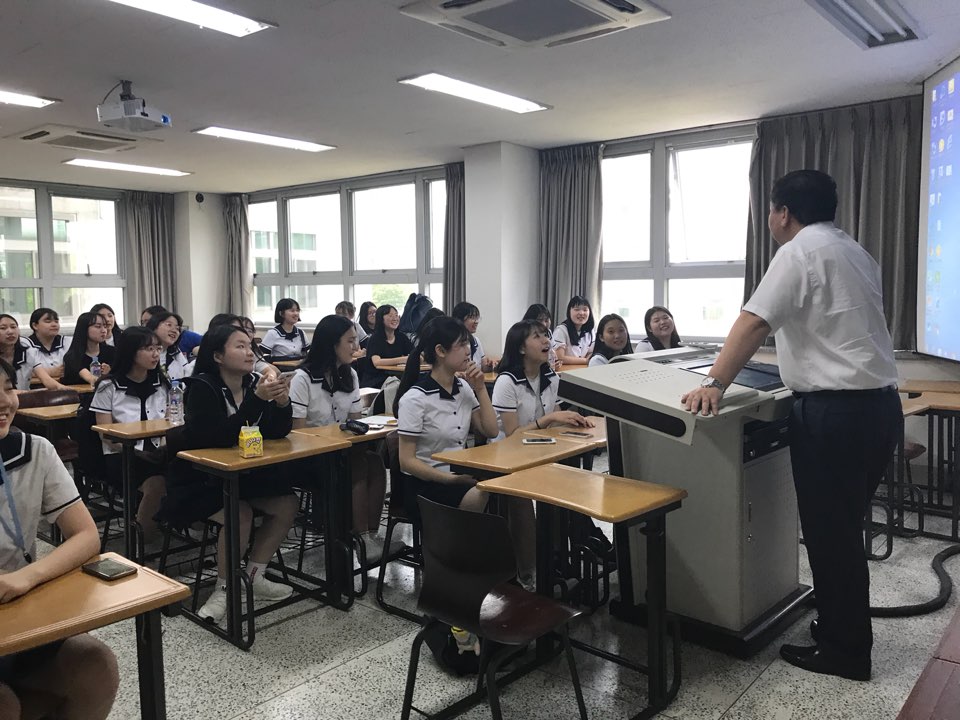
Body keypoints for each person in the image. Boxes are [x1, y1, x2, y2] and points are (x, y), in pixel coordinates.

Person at [681, 169, 901, 681]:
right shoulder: (856, 252)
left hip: (834, 413)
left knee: (830, 534)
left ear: (783, 213)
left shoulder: (798, 252)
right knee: (843, 529)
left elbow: (754, 320)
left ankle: (845, 652)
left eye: (770, 211)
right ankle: (840, 628)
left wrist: (714, 381)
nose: (769, 220)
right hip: (878, 409)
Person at [0, 358, 120, 720]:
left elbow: (86, 536)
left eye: (8, 388)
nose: (4, 401)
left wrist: (27, 576)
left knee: (96, 668)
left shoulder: (34, 450)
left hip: (17, 609)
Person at [160, 324, 298, 623]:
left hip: (242, 475)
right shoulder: (202, 387)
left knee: (287, 503)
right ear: (218, 356)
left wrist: (281, 402)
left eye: (250, 346)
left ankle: (255, 575)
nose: (249, 353)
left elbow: (277, 431)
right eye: (240, 346)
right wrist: (258, 400)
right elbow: (218, 437)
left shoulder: (253, 383)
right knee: (240, 513)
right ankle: (223, 588)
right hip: (199, 480)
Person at [290, 316, 390, 562]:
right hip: (310, 457)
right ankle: (361, 539)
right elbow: (297, 433)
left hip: (342, 451)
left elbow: (355, 422)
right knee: (358, 465)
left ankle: (370, 536)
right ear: (331, 344)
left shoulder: (350, 375)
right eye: (350, 341)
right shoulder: (303, 378)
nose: (356, 347)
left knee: (374, 461)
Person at [394, 316, 499, 515]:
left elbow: (491, 430)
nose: (468, 350)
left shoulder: (463, 388)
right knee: (484, 494)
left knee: (508, 490)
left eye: (468, 343)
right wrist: (452, 480)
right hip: (425, 484)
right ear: (441, 351)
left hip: (459, 474)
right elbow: (407, 461)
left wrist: (480, 388)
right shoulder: (415, 398)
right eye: (462, 344)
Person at [90, 327, 170, 539]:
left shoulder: (161, 383)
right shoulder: (108, 386)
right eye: (148, 349)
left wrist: (162, 448)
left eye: (158, 348)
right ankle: (141, 539)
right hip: (122, 455)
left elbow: (169, 423)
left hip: (157, 452)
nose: (155, 354)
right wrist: (137, 451)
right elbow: (105, 435)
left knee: (187, 470)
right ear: (130, 352)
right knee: (157, 482)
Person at [363, 305, 413, 388]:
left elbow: (415, 355)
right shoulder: (375, 338)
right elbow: (377, 362)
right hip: (377, 379)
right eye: (390, 316)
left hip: (396, 377)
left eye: (396, 315)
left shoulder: (401, 337)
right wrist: (403, 359)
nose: (395, 318)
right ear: (381, 319)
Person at [61, 312, 116, 385]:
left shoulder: (112, 352)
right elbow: (91, 379)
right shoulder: (72, 356)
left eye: (105, 326)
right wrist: (105, 376)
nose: (103, 330)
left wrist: (111, 372)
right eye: (98, 326)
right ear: (84, 329)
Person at [26, 308, 71, 390]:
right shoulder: (25, 345)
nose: (54, 324)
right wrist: (51, 372)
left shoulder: (68, 342)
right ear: (35, 325)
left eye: (56, 321)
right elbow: (22, 372)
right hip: (34, 389)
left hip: (66, 387)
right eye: (48, 321)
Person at [146, 311, 191, 381]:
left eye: (177, 328)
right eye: (169, 325)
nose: (174, 331)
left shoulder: (175, 352)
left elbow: (187, 372)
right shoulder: (143, 352)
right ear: (154, 326)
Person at [552, 296, 595, 366]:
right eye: (577, 309)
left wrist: (587, 360)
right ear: (569, 312)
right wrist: (585, 361)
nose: (581, 313)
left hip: (583, 369)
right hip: (565, 370)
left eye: (585, 310)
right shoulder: (561, 330)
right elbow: (560, 357)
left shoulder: (590, 331)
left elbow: (591, 353)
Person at [451, 301, 492, 371]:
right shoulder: (452, 341)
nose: (476, 322)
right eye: (472, 317)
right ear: (459, 319)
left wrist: (488, 366)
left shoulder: (476, 341)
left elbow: (483, 366)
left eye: (477, 318)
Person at [0, 314, 35, 392]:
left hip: (24, 397)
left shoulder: (28, 353)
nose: (10, 332)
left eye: (13, 327)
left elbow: (44, 377)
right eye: (3, 328)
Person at [523, 303, 564, 369]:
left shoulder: (548, 332)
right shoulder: (524, 333)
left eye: (546, 320)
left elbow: (553, 352)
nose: (544, 324)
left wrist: (555, 363)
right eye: (540, 320)